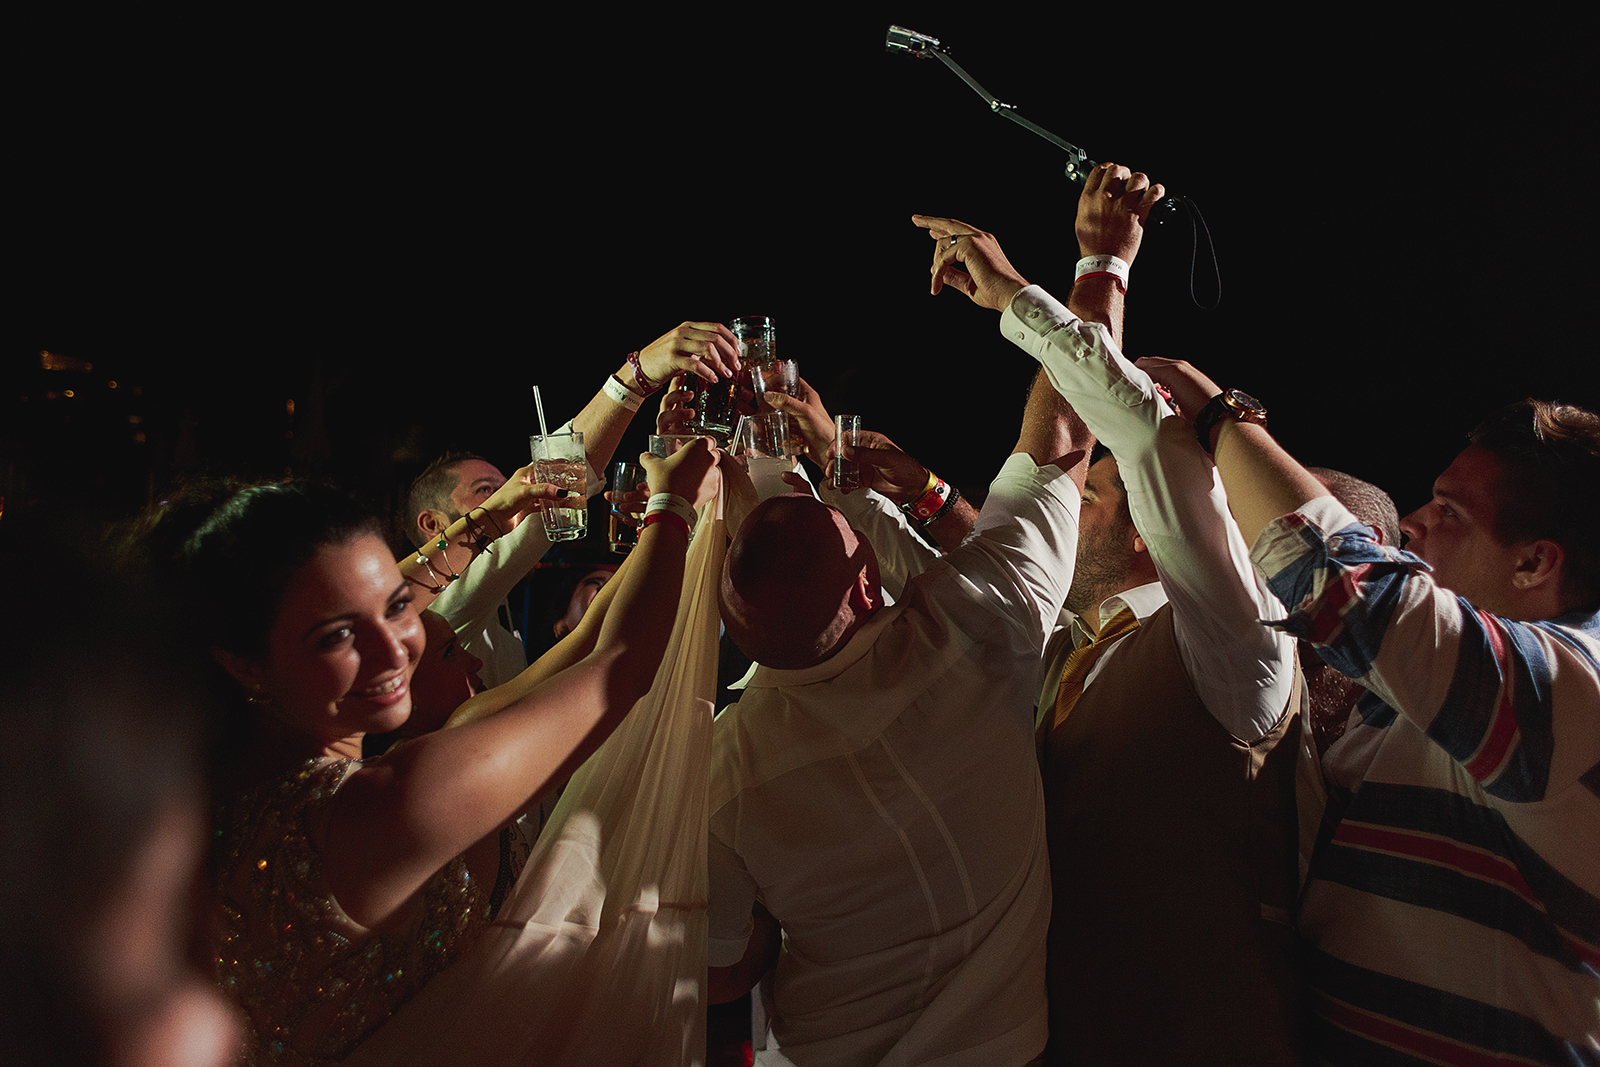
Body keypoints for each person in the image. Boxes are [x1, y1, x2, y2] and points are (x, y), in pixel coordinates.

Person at [145, 438, 720, 1065]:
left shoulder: (200, 799)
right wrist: (672, 502)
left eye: (397, 608)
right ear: (244, 664)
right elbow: (618, 669)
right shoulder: (378, 809)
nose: (394, 651)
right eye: (338, 635)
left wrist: (493, 518)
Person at [912, 162, 1308, 1065]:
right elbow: (1064, 445)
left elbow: (1126, 438)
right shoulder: (1069, 646)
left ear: (1148, 528)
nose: (1068, 502)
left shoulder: (1233, 642)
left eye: (1089, 496)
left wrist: (1082, 271)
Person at [1140, 355, 1600, 1064]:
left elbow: (1354, 594)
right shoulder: (1421, 697)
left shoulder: (1573, 694)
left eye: (1450, 512)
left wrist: (1221, 416)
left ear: (1535, 564)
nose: (1413, 525)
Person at [704, 267, 1100, 1066]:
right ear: (866, 582)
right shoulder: (976, 627)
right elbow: (1063, 434)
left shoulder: (723, 767)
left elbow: (721, 970)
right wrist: (1101, 261)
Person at [405, 321, 741, 688]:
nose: (514, 497)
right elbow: (556, 479)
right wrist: (634, 377)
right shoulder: (434, 614)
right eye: (488, 491)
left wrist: (672, 495)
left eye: (505, 487)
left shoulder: (498, 624)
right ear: (433, 525)